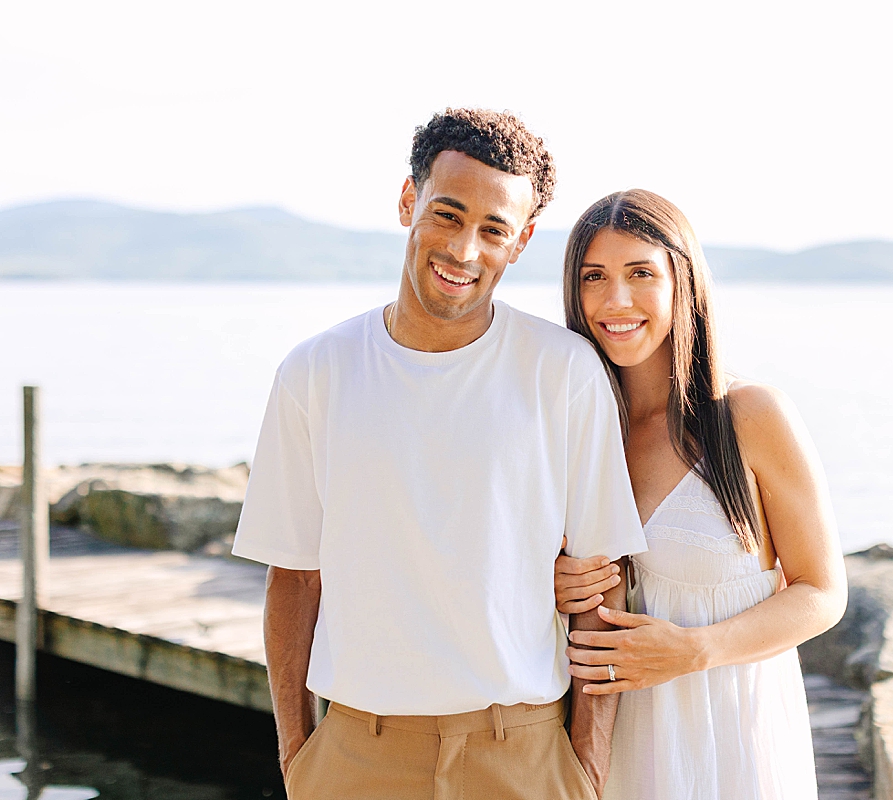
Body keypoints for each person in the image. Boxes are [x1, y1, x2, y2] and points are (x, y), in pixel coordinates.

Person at [232, 109, 646, 800]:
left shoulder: (563, 371)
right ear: (408, 201)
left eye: (493, 230)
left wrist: (589, 769)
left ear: (521, 243)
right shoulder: (315, 372)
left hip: (524, 755)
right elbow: (294, 576)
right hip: (355, 757)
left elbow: (600, 584)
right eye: (448, 216)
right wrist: (297, 757)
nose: (464, 250)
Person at [551, 190, 848, 799]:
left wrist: (695, 650)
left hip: (731, 739)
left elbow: (823, 593)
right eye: (594, 277)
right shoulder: (572, 428)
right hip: (613, 748)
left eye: (641, 273)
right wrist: (550, 586)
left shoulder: (750, 416)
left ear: (682, 281)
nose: (616, 300)